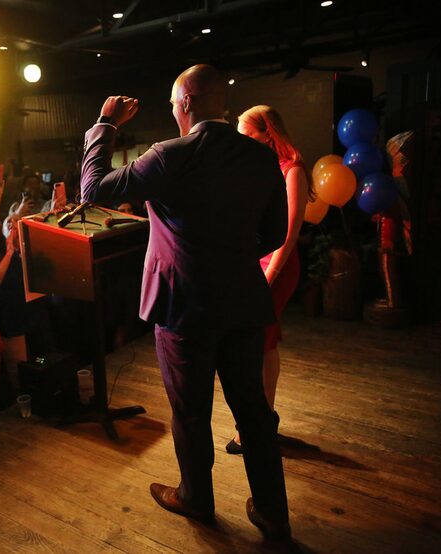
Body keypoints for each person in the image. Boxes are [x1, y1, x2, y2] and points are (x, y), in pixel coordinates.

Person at [79, 64, 291, 541]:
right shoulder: (259, 157)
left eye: (175, 103)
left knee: (190, 409)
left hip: (183, 306)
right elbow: (274, 233)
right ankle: (274, 513)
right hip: (242, 301)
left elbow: (91, 192)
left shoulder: (169, 155)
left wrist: (105, 124)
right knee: (253, 410)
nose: (174, 111)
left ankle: (196, 497)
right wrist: (233, 258)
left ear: (187, 103)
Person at [226, 105, 312, 455]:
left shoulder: (293, 171)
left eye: (247, 135)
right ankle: (260, 424)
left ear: (267, 133)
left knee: (261, 339)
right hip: (259, 262)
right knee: (263, 340)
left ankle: (257, 428)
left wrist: (268, 276)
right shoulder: (264, 168)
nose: (243, 142)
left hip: (278, 263)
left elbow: (289, 236)